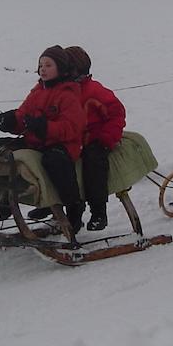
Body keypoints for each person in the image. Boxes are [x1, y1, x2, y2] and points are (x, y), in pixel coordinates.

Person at [0, 45, 87, 233]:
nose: (42, 69)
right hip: (37, 142)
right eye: (40, 65)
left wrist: (45, 127)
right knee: (1, 150)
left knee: (54, 161)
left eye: (48, 65)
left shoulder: (68, 94)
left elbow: (72, 128)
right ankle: (5, 200)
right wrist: (11, 121)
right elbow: (23, 116)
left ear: (60, 68)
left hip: (62, 146)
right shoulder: (37, 91)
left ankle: (74, 206)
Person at [63, 45, 126, 231]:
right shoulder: (62, 91)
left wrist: (105, 138)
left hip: (94, 140)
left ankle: (99, 210)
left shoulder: (94, 91)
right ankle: (61, 207)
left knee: (94, 163)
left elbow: (117, 114)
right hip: (71, 141)